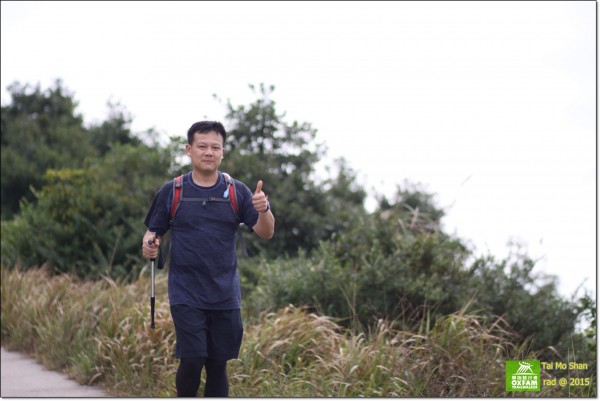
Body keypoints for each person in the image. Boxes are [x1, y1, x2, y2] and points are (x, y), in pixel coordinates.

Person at [141, 121, 275, 397]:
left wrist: (264, 209)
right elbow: (153, 232)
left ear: (223, 152)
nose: (209, 152)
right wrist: (149, 244)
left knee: (217, 364)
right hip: (186, 292)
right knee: (192, 359)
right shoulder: (173, 190)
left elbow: (266, 232)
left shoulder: (237, 191)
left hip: (225, 294)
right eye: (202, 146)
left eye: (215, 147)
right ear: (189, 149)